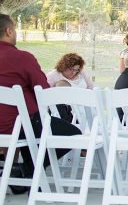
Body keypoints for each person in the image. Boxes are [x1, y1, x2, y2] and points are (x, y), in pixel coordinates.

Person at [0, 14, 81, 190]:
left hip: (10, 127)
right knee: (72, 133)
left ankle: (14, 171)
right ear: (9, 31)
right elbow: (43, 90)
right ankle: (28, 170)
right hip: (20, 124)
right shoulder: (21, 58)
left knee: (34, 131)